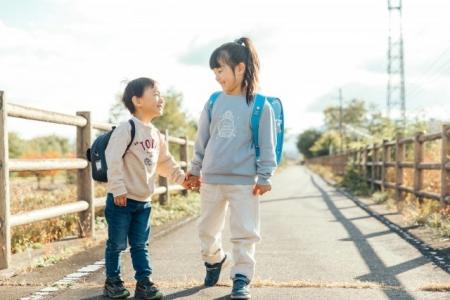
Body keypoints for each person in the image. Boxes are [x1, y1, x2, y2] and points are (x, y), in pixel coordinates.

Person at [187, 37, 278, 299]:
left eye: (220, 70)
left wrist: (265, 176)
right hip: (212, 179)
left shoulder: (261, 105)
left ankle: (241, 277)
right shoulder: (214, 101)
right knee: (206, 230)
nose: (217, 76)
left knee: (244, 233)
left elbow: (267, 144)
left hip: (244, 182)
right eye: (214, 71)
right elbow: (202, 139)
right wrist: (194, 169)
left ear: (240, 68)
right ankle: (214, 259)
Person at [104, 77, 190, 299]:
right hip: (121, 200)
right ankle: (113, 282)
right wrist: (118, 188)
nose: (161, 99)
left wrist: (182, 179)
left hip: (143, 202)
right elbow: (112, 158)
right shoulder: (127, 129)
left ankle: (144, 282)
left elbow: (165, 163)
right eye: (156, 94)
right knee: (117, 244)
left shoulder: (155, 134)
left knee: (140, 244)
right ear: (138, 100)